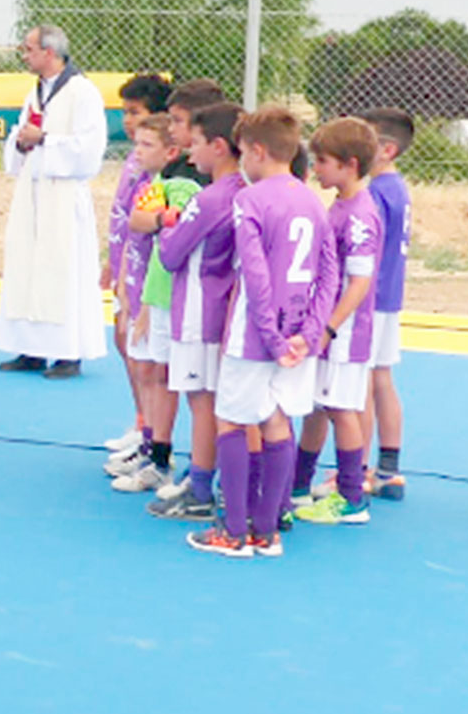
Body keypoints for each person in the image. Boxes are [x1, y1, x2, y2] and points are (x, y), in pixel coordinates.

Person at [187, 107, 337, 559]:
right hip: (298, 335)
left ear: (256, 151)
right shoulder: (312, 200)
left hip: (257, 334)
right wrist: (310, 333)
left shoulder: (250, 200)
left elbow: (255, 275)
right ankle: (267, 529)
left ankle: (233, 530)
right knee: (277, 421)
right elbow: (329, 272)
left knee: (232, 418)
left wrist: (271, 338)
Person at [109, 81, 226, 499]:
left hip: (193, 300)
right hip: (163, 293)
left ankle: (205, 478)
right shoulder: (170, 175)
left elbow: (182, 244)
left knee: (197, 389)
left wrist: (167, 225)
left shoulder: (207, 181)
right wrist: (159, 222)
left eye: (178, 122)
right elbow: (141, 220)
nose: (174, 130)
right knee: (159, 372)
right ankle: (157, 453)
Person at [147, 102, 246, 524]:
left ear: (220, 147)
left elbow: (171, 253)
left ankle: (203, 486)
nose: (190, 153)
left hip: (198, 309)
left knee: (202, 398)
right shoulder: (247, 191)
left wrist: (163, 224)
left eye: (199, 144)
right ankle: (213, 479)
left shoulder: (210, 198)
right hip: (223, 306)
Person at [0, 25, 108, 378]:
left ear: (49, 52)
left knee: (63, 269)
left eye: (28, 49)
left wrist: (45, 139)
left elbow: (90, 149)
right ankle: (31, 347)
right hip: (34, 191)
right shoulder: (37, 93)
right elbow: (22, 132)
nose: (24, 56)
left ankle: (67, 352)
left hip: (63, 193)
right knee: (27, 265)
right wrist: (23, 141)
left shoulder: (82, 92)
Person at [289, 117, 382, 527]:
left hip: (344, 333)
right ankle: (297, 483)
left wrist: (329, 327)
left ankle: (350, 496)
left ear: (348, 164)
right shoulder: (340, 205)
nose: (317, 169)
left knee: (341, 408)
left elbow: (360, 280)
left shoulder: (361, 214)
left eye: (323, 161)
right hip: (328, 327)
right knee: (315, 407)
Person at [109, 114, 191, 493]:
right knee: (142, 367)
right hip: (140, 287)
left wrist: (144, 299)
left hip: (157, 292)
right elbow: (133, 230)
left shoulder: (177, 187)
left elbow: (155, 233)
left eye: (146, 145)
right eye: (136, 145)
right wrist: (125, 283)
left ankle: (159, 451)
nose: (137, 151)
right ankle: (148, 442)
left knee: (157, 372)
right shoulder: (150, 182)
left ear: (171, 150)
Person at [100, 72, 173, 456]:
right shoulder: (133, 156)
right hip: (124, 264)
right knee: (122, 339)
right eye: (124, 112)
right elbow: (120, 212)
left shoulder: (155, 163)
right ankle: (140, 418)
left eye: (135, 112)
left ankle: (148, 426)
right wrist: (112, 262)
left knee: (140, 351)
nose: (127, 120)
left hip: (143, 275)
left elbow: (142, 220)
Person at [363, 108, 414, 498]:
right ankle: (389, 467)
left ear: (387, 150)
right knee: (381, 378)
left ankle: (359, 468)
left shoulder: (377, 193)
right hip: (389, 295)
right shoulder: (398, 188)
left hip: (370, 298)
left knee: (362, 381)